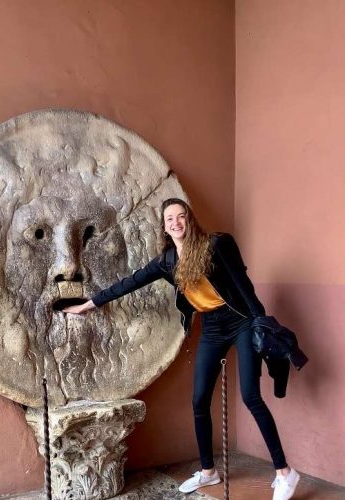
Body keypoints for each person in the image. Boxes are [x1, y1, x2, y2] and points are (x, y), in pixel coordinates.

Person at [63, 198, 300, 500]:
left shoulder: (216, 244)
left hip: (240, 321)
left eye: (181, 216)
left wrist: (259, 322)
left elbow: (244, 285)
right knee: (199, 400)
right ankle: (208, 472)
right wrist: (89, 304)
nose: (176, 223)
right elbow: (130, 282)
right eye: (169, 219)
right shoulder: (168, 261)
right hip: (212, 328)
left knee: (251, 396)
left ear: (189, 219)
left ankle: (285, 473)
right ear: (164, 227)